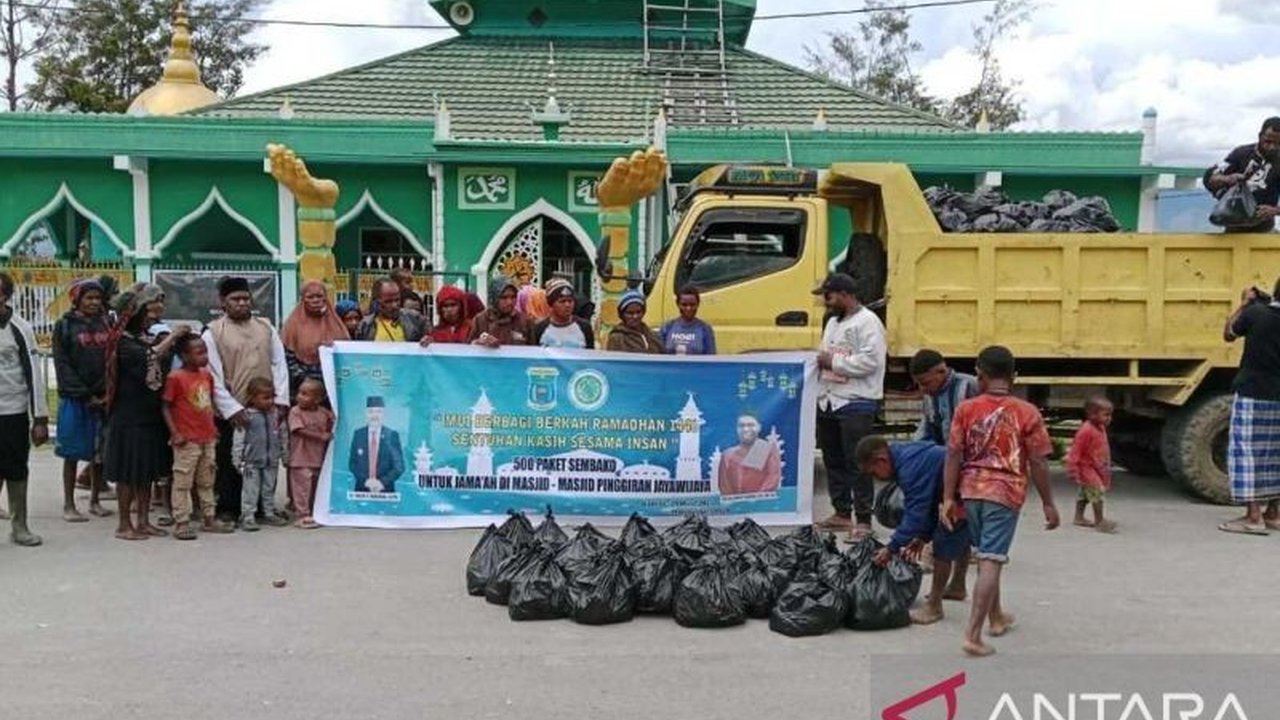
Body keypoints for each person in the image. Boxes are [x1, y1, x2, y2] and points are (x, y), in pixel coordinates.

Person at [941, 345, 1059, 657]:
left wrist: (947, 497)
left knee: (986, 555)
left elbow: (953, 454)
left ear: (980, 374)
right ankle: (973, 635)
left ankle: (996, 617)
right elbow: (1039, 462)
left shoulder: (966, 409)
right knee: (991, 560)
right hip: (1004, 495)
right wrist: (1048, 502)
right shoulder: (1027, 412)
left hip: (971, 491)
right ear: (1014, 376)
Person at [103, 283, 188, 541]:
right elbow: (149, 357)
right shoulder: (123, 342)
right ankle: (124, 524)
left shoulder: (141, 337)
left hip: (148, 414)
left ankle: (143, 520)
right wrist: (173, 337)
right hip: (128, 416)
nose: (151, 316)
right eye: (146, 311)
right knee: (129, 473)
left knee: (146, 472)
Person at [857, 435, 970, 625]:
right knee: (959, 535)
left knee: (944, 544)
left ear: (881, 460)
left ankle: (934, 606)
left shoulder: (909, 469)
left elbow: (916, 513)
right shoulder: (903, 455)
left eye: (874, 473)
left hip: (965, 488)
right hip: (962, 486)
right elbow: (930, 503)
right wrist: (922, 536)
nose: (876, 479)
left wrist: (891, 548)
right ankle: (958, 586)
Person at [203, 276, 289, 524]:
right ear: (223, 302)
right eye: (235, 299)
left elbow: (278, 363)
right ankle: (229, 508)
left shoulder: (266, 327)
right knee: (231, 460)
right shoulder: (213, 332)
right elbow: (213, 374)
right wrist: (231, 409)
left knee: (264, 460)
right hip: (233, 410)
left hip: (265, 408)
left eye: (245, 298)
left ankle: (263, 508)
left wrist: (280, 401)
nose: (241, 303)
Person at [812, 272, 886, 538]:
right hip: (829, 401)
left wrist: (833, 363)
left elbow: (871, 361)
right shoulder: (832, 323)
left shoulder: (868, 322)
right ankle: (842, 512)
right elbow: (824, 356)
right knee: (833, 460)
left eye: (829, 296)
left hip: (856, 401)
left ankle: (864, 521)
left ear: (844, 294)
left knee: (858, 462)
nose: (826, 301)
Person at [1220, 283, 1280, 535]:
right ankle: (1274, 514)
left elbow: (1229, 333)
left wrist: (1244, 304)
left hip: (1253, 393)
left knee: (1246, 453)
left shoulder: (1256, 313)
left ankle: (1253, 516)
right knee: (1275, 455)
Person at [52, 278, 113, 521]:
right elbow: (62, 364)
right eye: (89, 298)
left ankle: (96, 500)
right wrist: (85, 394)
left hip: (103, 398)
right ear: (76, 299)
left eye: (98, 298)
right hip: (76, 399)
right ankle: (69, 504)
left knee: (99, 454)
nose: (94, 303)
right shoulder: (64, 326)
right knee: (72, 453)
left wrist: (106, 393)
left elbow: (112, 359)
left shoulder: (106, 323)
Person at [161, 335, 232, 540]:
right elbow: (166, 406)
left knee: (207, 479)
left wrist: (213, 426)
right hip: (187, 439)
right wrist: (175, 432)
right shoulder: (176, 378)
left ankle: (209, 517)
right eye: (198, 352)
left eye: (205, 351)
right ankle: (181, 521)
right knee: (183, 481)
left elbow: (208, 402)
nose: (204, 356)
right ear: (184, 355)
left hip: (207, 436)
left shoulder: (206, 375)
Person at [0, 272, 49, 546]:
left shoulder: (21, 328)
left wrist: (39, 417)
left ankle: (19, 526)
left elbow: (33, 374)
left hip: (13, 410)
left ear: (4, 295)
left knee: (16, 468)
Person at [1203, 117, 1280, 233]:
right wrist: (1227, 179)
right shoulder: (1241, 154)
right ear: (1260, 136)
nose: (1272, 147)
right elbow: (1210, 178)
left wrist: (1275, 210)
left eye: (1278, 144)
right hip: (1233, 226)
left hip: (1264, 228)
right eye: (1268, 142)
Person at [232, 377, 287, 531]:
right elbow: (239, 438)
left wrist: (284, 454)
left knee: (269, 488)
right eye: (265, 398)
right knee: (250, 490)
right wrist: (237, 459)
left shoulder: (276, 415)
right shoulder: (246, 416)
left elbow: (282, 435)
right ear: (252, 398)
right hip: (251, 462)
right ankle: (248, 516)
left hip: (271, 460)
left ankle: (269, 513)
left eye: (272, 397)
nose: (269, 401)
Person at [282, 280, 349, 397]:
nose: (315, 300)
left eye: (319, 296)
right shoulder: (293, 324)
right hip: (303, 389)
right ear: (303, 299)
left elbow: (345, 356)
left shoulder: (335, 323)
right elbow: (288, 358)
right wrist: (307, 381)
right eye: (310, 297)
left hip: (332, 388)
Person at [1065, 396, 1117, 533]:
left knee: (1085, 493)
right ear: (1092, 414)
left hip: (1095, 466)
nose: (1109, 418)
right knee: (1097, 491)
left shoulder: (1100, 428)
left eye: (1110, 415)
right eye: (1106, 415)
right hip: (1086, 467)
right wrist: (1072, 469)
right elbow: (1075, 451)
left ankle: (1079, 517)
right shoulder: (1086, 430)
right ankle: (1099, 521)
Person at [288, 377, 333, 529]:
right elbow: (299, 430)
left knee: (315, 487)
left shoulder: (324, 413)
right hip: (300, 458)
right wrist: (321, 436)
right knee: (302, 488)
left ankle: (314, 512)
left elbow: (334, 422)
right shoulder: (295, 412)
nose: (300, 396)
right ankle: (302, 514)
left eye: (306, 394)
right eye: (300, 393)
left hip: (318, 458)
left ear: (318, 399)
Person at [911, 349, 979, 445]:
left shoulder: (969, 385)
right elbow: (926, 429)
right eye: (918, 384)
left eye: (925, 383)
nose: (922, 389)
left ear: (941, 371)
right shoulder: (929, 396)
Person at [347, 396, 404, 493]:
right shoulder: (358, 434)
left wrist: (381, 483)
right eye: (371, 412)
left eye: (378, 412)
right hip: (361, 489)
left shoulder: (392, 435)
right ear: (366, 413)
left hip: (385, 490)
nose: (374, 415)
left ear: (383, 414)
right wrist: (366, 481)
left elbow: (399, 467)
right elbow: (352, 464)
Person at [717, 414, 782, 496]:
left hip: (762, 505)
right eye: (741, 426)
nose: (746, 429)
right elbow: (725, 486)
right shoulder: (727, 455)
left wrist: (754, 501)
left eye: (751, 425)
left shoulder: (767, 449)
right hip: (735, 505)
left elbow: (772, 479)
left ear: (759, 427)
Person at [355, 278, 428, 343]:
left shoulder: (415, 319)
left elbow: (431, 337)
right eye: (388, 301)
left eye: (397, 300)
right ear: (376, 302)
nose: (394, 305)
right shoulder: (365, 325)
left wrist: (428, 339)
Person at [533, 279, 596, 349]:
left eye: (570, 301)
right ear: (551, 305)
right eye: (562, 301)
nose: (567, 305)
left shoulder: (584, 327)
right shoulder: (540, 328)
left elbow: (590, 355)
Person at [470, 275, 531, 348]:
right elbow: (468, 349)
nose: (510, 302)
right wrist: (478, 343)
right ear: (494, 298)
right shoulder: (480, 320)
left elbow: (534, 352)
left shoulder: (524, 322)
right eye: (504, 297)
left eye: (513, 297)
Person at [658, 286, 716, 355]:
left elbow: (710, 359)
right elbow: (659, 355)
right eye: (684, 305)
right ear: (678, 304)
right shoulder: (667, 327)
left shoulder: (705, 329)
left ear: (698, 304)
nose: (688, 308)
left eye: (692, 304)